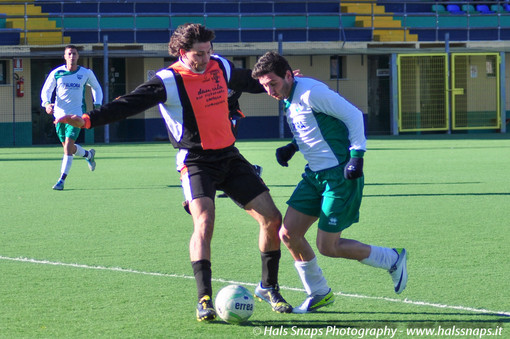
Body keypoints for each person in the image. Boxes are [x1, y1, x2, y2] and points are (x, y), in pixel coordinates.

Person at [57, 24, 292, 321]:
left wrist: (287, 82)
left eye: (209, 51)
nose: (207, 58)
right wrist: (88, 119)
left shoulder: (220, 65)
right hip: (195, 160)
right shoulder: (167, 80)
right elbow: (128, 104)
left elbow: (251, 81)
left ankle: (268, 286)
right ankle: (204, 298)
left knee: (272, 219)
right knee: (204, 221)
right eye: (199, 53)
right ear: (182, 53)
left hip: (229, 157)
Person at [251, 51, 408, 313]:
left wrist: (357, 155)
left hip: (339, 175)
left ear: (288, 75)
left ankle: (391, 258)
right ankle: (319, 292)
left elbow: (354, 115)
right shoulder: (289, 95)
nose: (269, 91)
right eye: (264, 86)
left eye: (273, 84)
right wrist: (293, 146)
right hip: (314, 175)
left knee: (328, 246)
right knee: (288, 234)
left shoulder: (312, 92)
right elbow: (315, 126)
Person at [41, 44, 103, 191]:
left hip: (76, 115)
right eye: (69, 54)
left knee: (68, 147)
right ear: (64, 56)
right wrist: (47, 104)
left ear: (78, 56)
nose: (72, 56)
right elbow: (46, 89)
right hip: (59, 116)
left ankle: (61, 180)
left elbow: (97, 87)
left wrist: (98, 103)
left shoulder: (86, 73)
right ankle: (88, 154)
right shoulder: (57, 73)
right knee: (68, 148)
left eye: (74, 54)